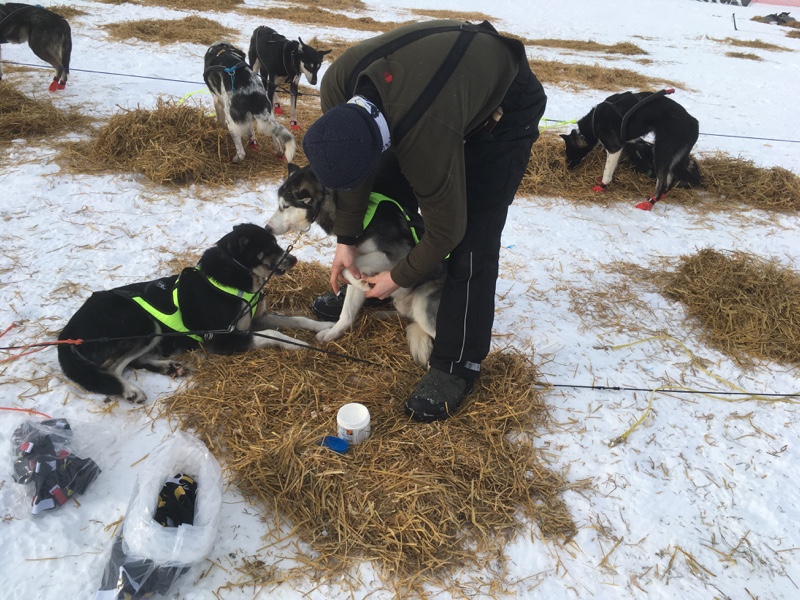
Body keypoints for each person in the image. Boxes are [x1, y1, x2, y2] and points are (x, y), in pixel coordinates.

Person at [302, 19, 547, 422]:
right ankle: (369, 289)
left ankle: (457, 363)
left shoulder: (424, 137)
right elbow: (355, 177)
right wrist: (345, 239)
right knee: (387, 186)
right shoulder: (337, 88)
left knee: (472, 232)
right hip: (433, 87)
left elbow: (447, 229)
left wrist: (398, 277)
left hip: (504, 104)